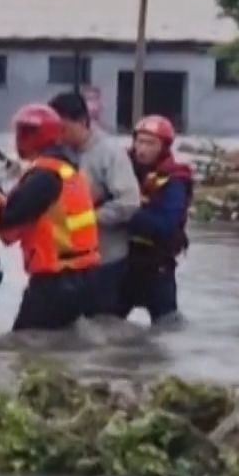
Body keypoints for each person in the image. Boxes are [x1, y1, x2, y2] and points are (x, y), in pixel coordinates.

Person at [0, 103, 100, 330]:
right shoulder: (67, 169)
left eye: (25, 132)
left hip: (55, 281)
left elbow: (7, 218)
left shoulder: (43, 177)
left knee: (23, 344)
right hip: (82, 276)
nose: (19, 139)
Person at [48, 91, 140, 318]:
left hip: (106, 260)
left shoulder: (110, 154)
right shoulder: (57, 152)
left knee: (100, 326)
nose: (58, 135)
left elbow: (129, 203)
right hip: (67, 261)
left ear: (82, 122)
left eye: (63, 128)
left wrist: (87, 217)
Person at [119, 114, 193, 323]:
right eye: (139, 141)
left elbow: (166, 225)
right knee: (105, 322)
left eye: (150, 143)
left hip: (157, 265)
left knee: (166, 327)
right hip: (123, 263)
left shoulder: (175, 180)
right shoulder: (121, 169)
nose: (142, 149)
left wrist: (126, 212)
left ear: (164, 147)